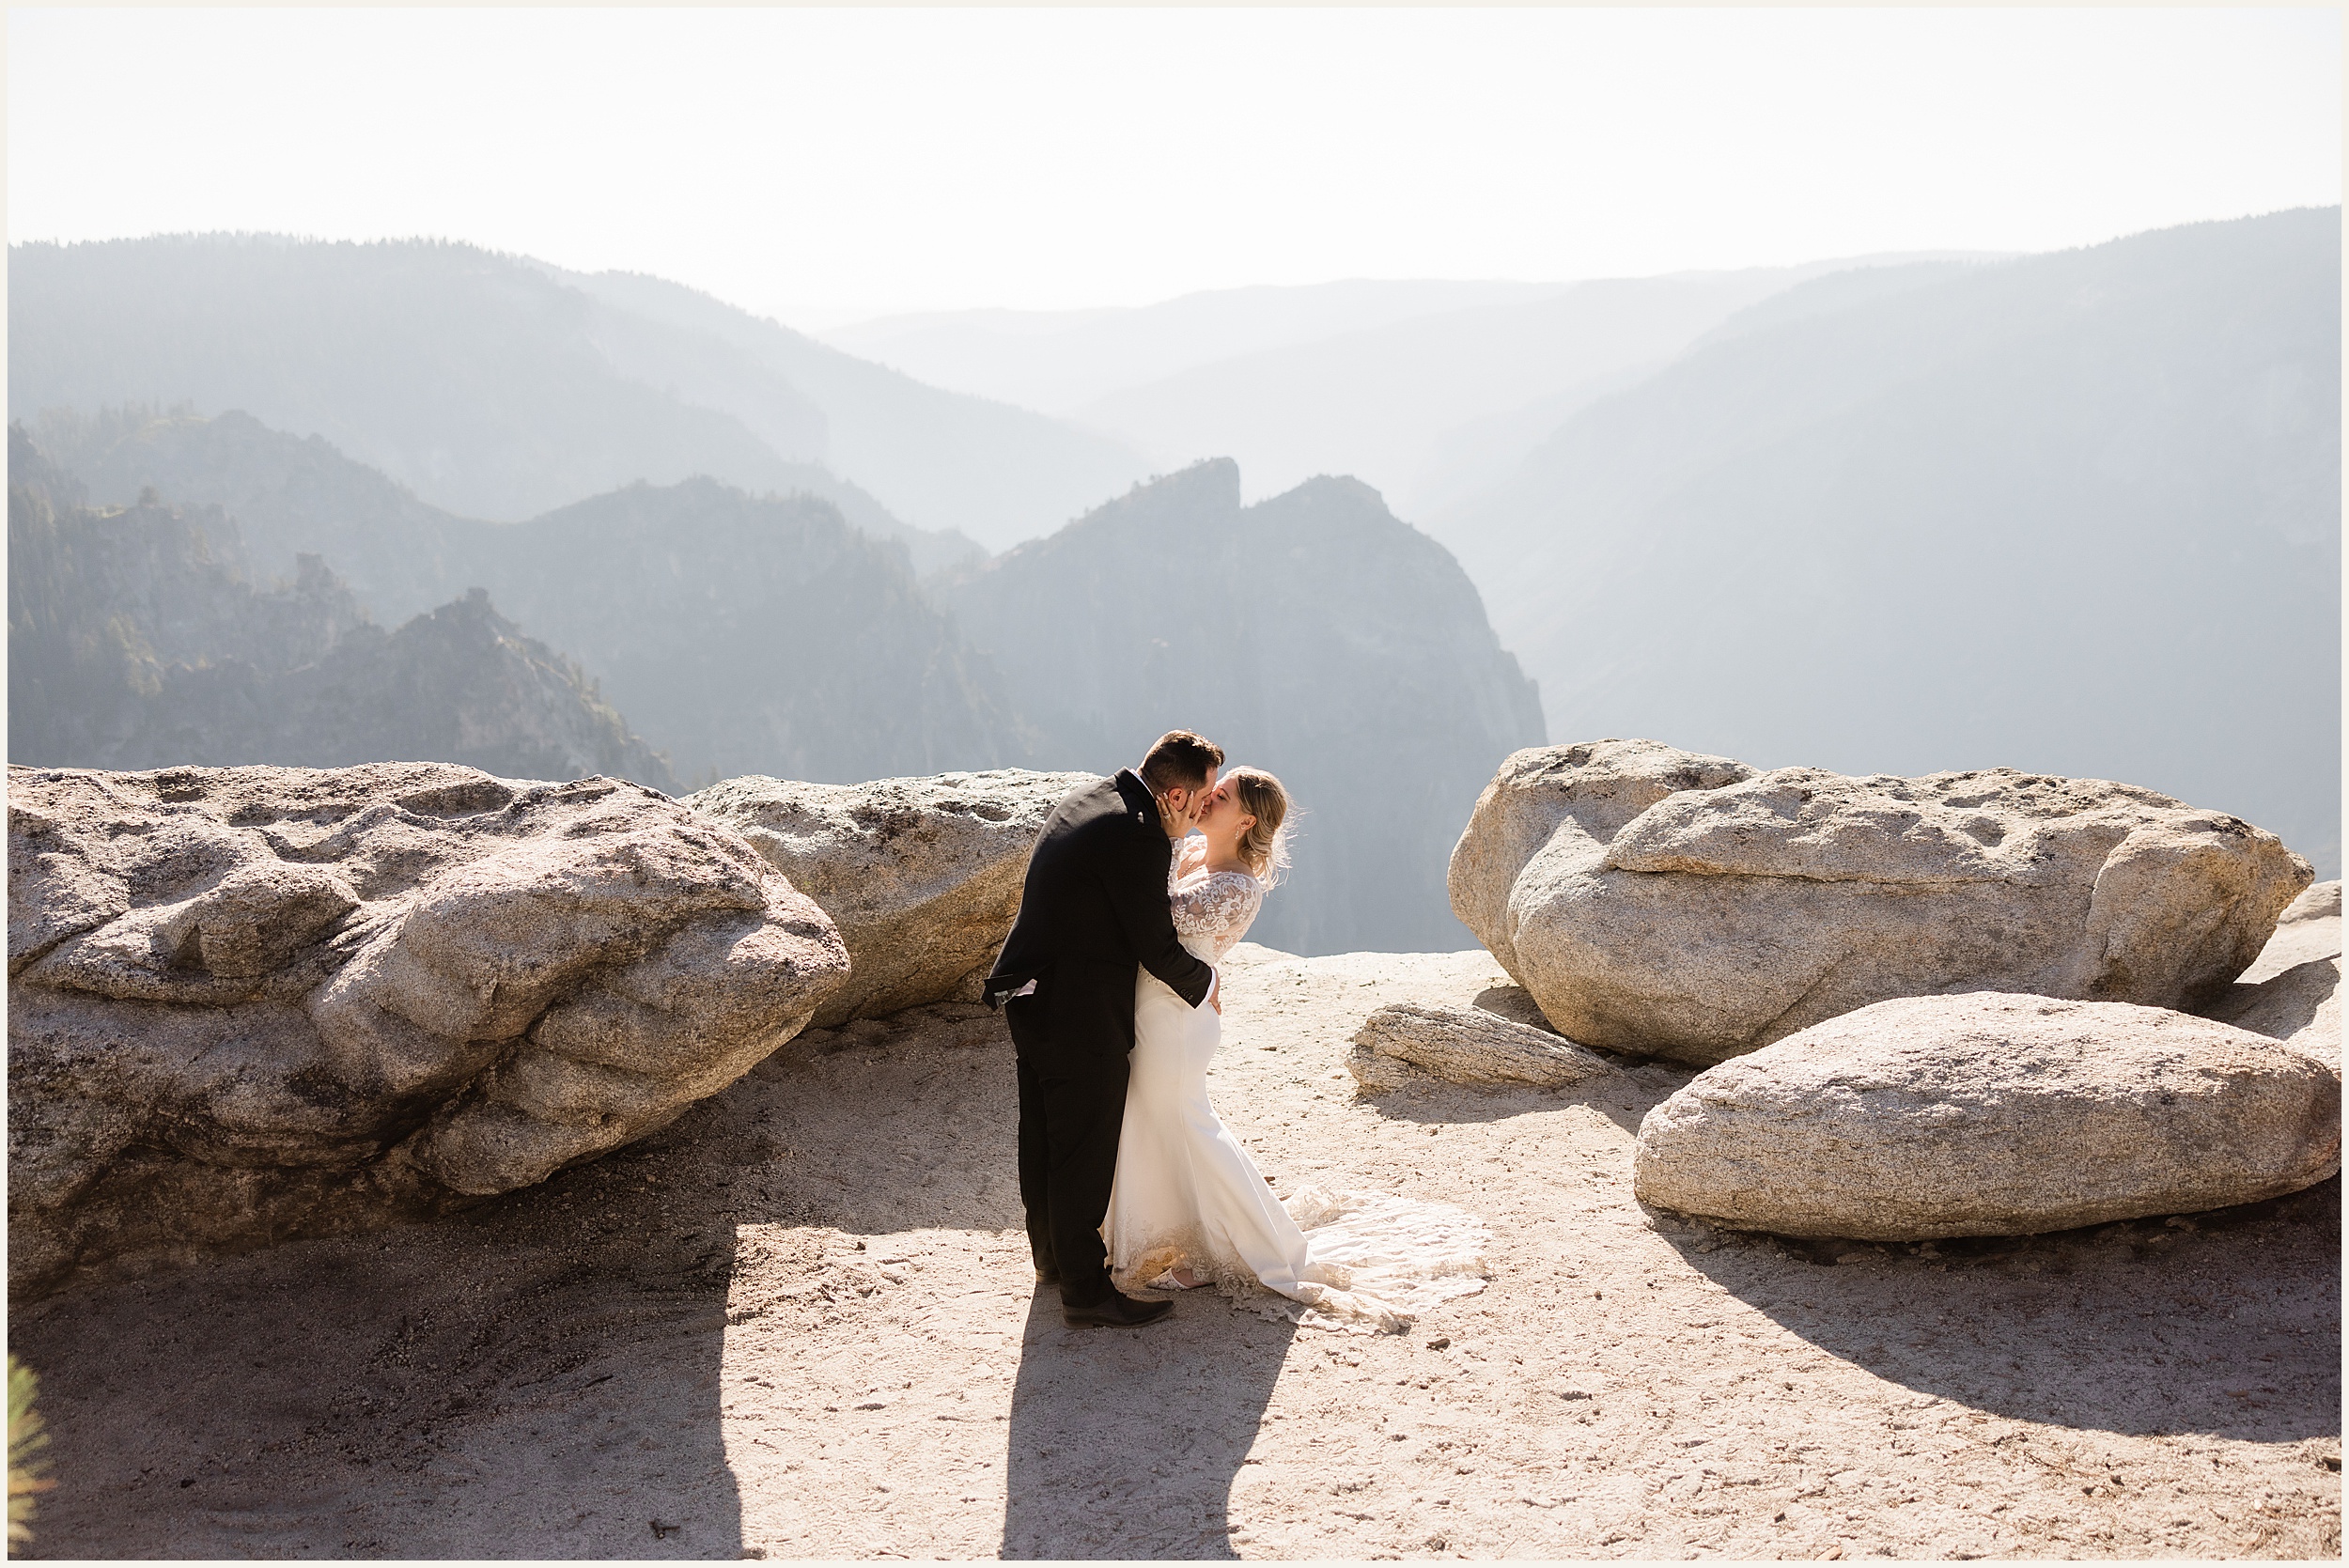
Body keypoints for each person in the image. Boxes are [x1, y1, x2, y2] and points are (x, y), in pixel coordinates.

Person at [1102, 766, 1490, 1332]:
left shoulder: (1236, 885)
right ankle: (1178, 1241)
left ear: (1246, 820)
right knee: (1154, 1123)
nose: (1209, 797)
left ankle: (1238, 1245)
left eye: (1223, 794)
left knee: (1188, 1124)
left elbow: (1154, 919)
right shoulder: (1188, 853)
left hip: (1178, 1023)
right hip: (1151, 1011)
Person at [986, 730, 1226, 1328]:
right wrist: (1205, 985)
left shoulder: (1093, 799)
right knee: (1083, 1150)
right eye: (1199, 803)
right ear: (1173, 795)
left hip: (1031, 992)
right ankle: (1087, 1295)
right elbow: (1154, 942)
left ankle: (1054, 1261)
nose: (1200, 816)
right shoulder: (1136, 834)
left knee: (1043, 1133)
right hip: (1076, 1011)